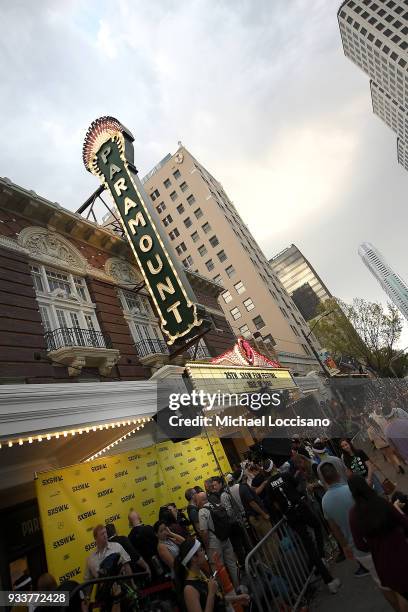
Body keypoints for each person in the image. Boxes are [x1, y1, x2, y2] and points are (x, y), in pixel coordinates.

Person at [264, 459, 341, 594]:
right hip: (301, 508)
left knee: (308, 546)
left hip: (291, 516)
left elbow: (271, 504)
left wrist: (283, 512)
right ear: (275, 466)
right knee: (317, 526)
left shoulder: (269, 486)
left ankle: (328, 580)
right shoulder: (285, 475)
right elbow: (296, 487)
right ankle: (321, 556)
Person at [349, 475, 408, 610]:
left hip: (383, 563)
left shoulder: (353, 514)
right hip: (402, 554)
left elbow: (359, 545)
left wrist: (374, 545)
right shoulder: (381, 502)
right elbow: (404, 523)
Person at [320, 463, 374, 580]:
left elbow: (334, 528)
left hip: (356, 547)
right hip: (372, 537)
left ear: (325, 480)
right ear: (338, 474)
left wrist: (344, 546)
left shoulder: (324, 501)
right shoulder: (351, 489)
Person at [174, 539, 250, 612]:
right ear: (194, 558)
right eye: (201, 550)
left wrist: (237, 598)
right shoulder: (189, 589)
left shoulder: (200, 574)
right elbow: (211, 597)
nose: (204, 552)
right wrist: (211, 593)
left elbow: (216, 600)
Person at [197, 491, 239, 590]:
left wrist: (207, 546)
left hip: (214, 543)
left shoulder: (202, 511)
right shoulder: (216, 504)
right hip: (226, 538)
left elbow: (204, 532)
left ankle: (228, 592)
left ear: (200, 500)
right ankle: (238, 586)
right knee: (232, 564)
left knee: (219, 569)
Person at [211, 476, 248, 567]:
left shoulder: (223, 495)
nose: (214, 487)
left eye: (215, 485)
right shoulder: (226, 491)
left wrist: (225, 518)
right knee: (244, 544)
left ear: (220, 484)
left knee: (238, 547)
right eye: (213, 485)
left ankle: (245, 565)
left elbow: (229, 512)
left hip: (233, 524)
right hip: (237, 522)